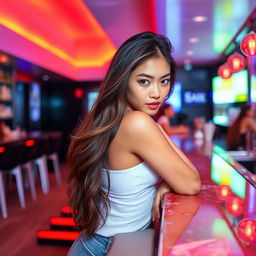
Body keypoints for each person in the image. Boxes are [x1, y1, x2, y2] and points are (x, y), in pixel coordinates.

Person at [67, 31, 201, 256]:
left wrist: (167, 182)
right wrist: (170, 179)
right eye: (144, 81)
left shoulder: (117, 119)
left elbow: (187, 175)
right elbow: (192, 182)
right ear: (123, 79)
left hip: (105, 242)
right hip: (110, 247)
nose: (157, 93)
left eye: (164, 81)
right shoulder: (136, 123)